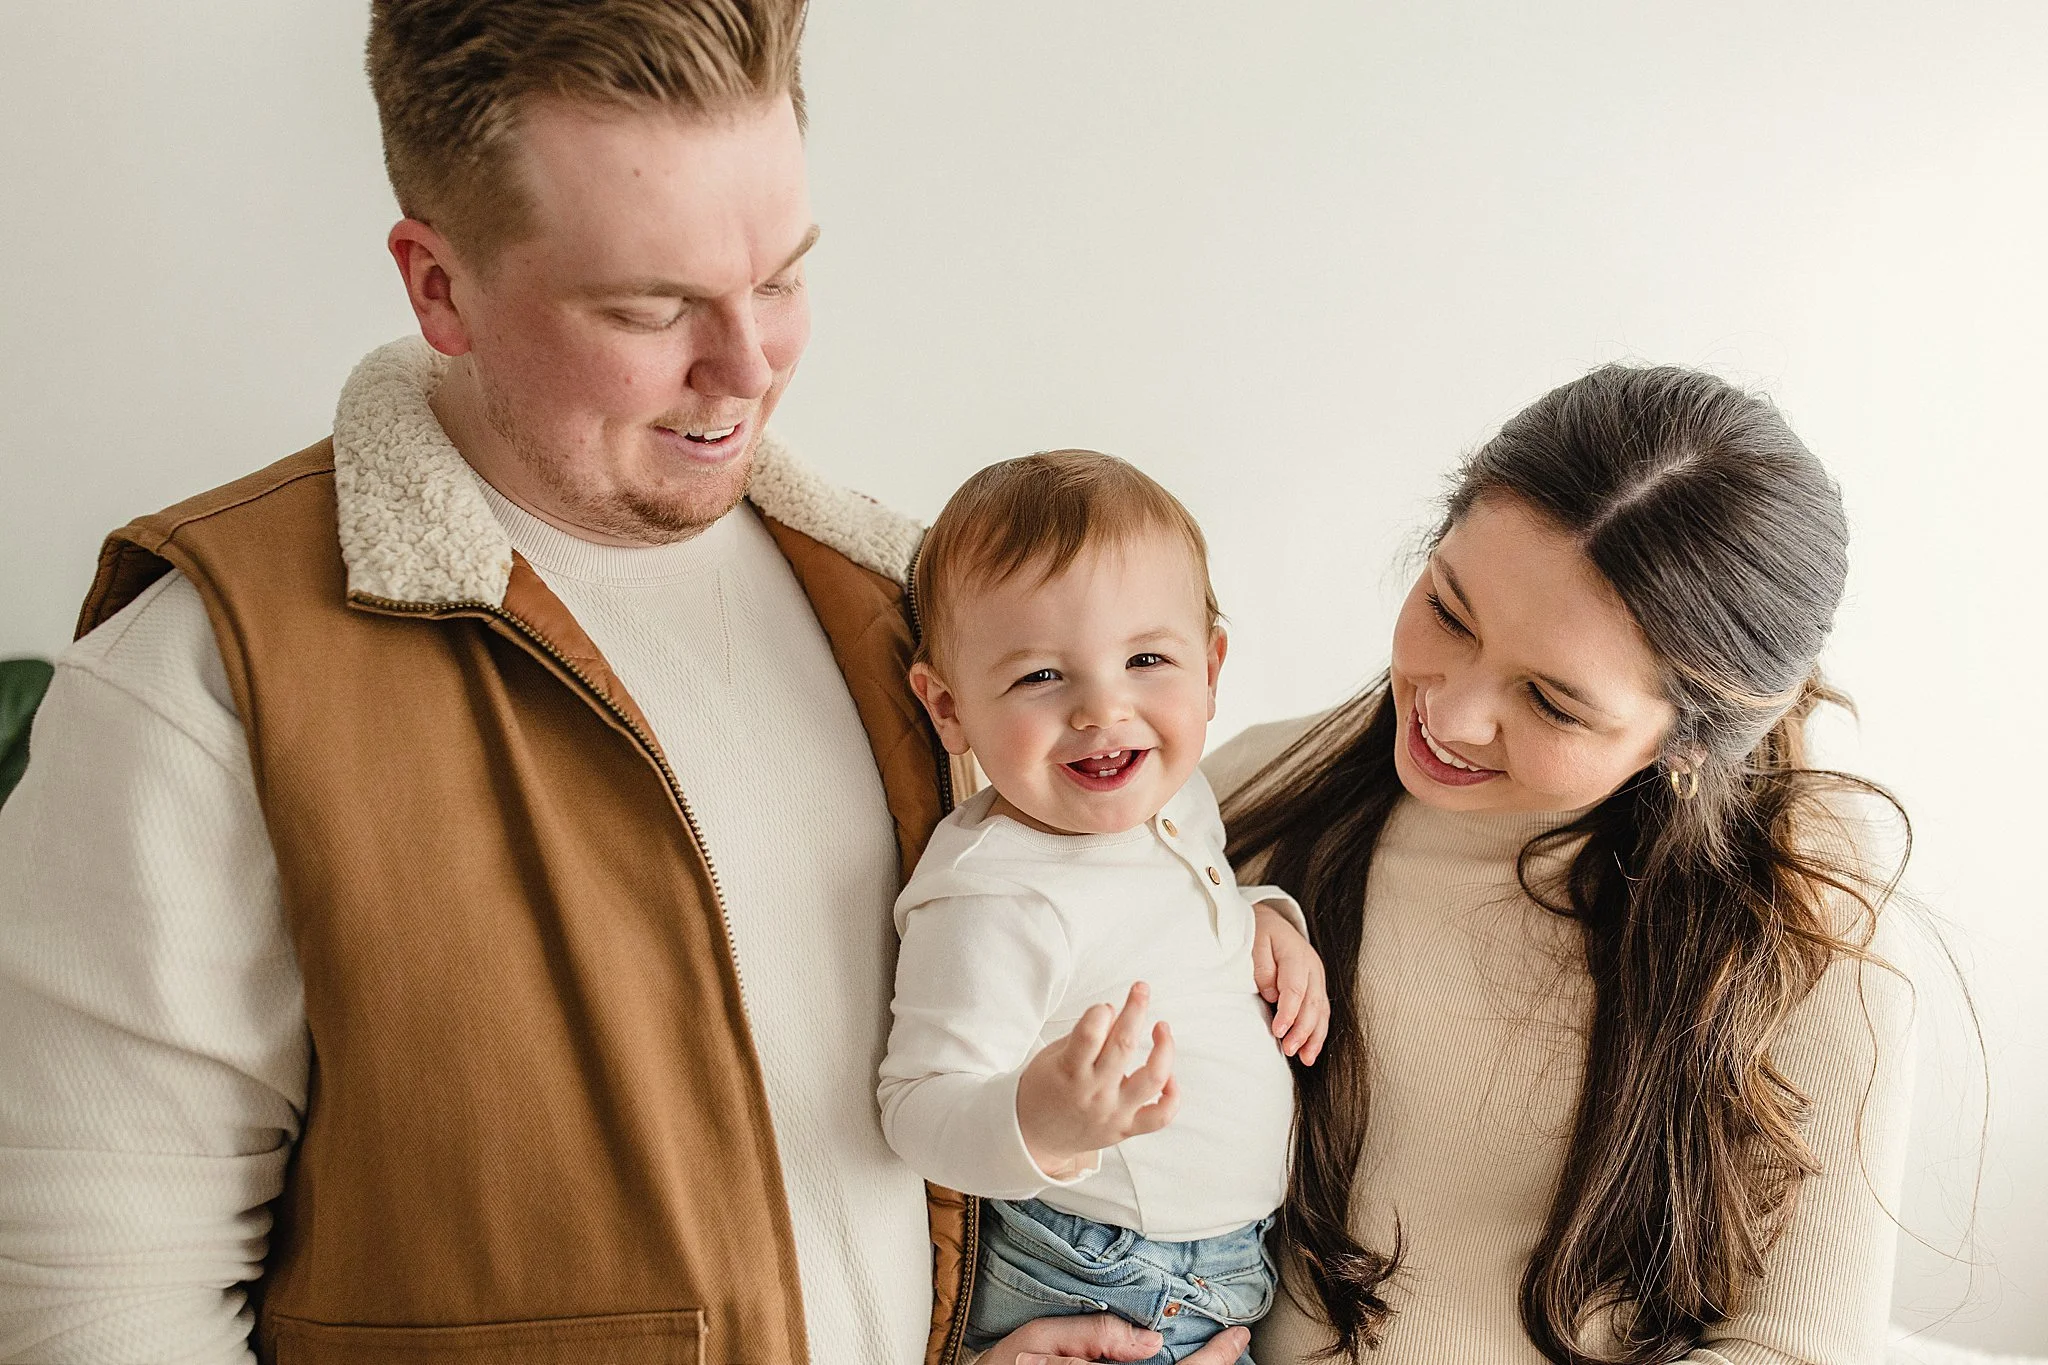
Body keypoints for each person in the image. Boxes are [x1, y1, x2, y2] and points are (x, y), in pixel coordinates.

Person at [0, 5, 1247, 1364]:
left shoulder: (907, 612)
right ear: (440, 286)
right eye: (652, 307)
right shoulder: (202, 680)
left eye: (780, 278)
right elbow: (97, 1308)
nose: (752, 365)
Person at [1205, 365, 1918, 1365]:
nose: (1447, 715)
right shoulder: (1245, 796)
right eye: (1448, 613)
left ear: (1687, 744)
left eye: (1550, 702)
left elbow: (1793, 1348)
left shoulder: (1799, 921)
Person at [878, 453, 1332, 1364]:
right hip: (1102, 1276)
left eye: (1146, 660)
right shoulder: (997, 894)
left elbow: (1166, 912)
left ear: (1210, 668)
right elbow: (914, 1106)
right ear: (949, 706)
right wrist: (1036, 1120)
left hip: (1227, 1260)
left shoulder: (1174, 794)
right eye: (1041, 676)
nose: (1102, 708)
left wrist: (1263, 918)